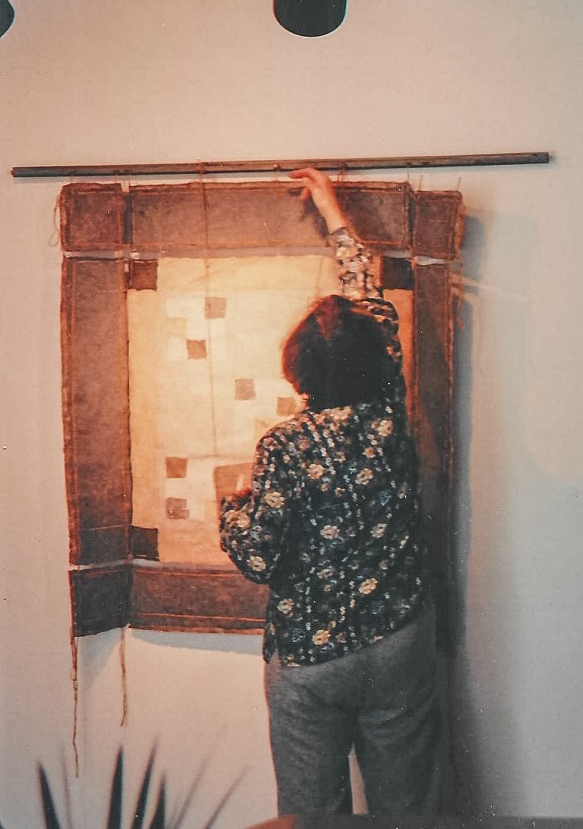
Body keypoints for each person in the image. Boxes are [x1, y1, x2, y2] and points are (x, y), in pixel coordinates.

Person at [219, 168, 441, 816]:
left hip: (310, 657)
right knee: (408, 814)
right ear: (376, 355)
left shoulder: (284, 445)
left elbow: (257, 558)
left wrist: (233, 503)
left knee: (310, 820)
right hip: (398, 639)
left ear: (299, 371)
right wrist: (331, 207)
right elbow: (363, 289)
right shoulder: (388, 408)